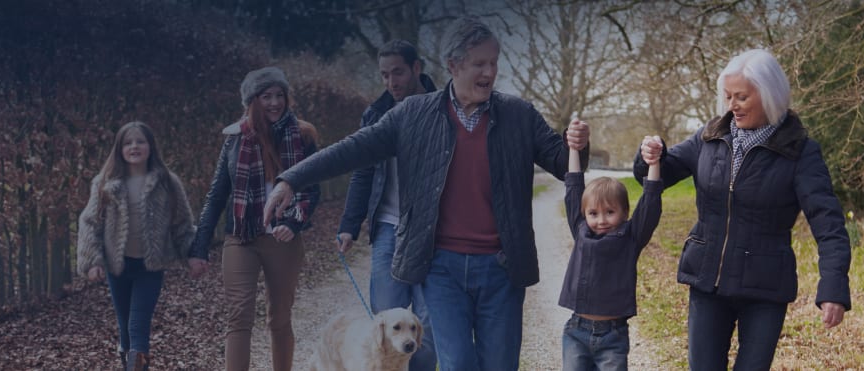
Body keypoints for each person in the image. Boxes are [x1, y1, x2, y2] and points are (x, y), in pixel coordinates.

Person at [264, 17, 591, 371]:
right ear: (453, 65)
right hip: (441, 268)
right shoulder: (413, 114)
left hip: (501, 266)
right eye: (479, 63)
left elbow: (563, 162)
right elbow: (353, 149)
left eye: (493, 62)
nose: (490, 71)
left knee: (499, 364)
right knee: (458, 363)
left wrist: (578, 144)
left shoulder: (519, 114)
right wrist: (292, 179)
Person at [633, 48, 851, 370]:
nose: (731, 105)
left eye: (741, 97)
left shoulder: (800, 152)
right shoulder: (709, 137)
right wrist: (650, 155)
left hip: (764, 289)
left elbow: (828, 223)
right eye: (728, 96)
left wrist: (833, 287)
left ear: (769, 96)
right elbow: (656, 175)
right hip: (707, 281)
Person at [187, 66, 320, 371]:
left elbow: (312, 190)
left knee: (280, 317)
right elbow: (217, 195)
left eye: (279, 95)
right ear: (252, 101)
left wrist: (293, 223)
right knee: (240, 315)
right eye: (265, 96)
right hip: (241, 237)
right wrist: (199, 247)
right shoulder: (235, 140)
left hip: (282, 238)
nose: (274, 103)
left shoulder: (303, 136)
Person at [336, 39, 438, 371]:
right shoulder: (375, 114)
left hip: (431, 232)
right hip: (387, 229)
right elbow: (362, 172)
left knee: (429, 323)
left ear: (416, 69)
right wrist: (349, 225)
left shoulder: (443, 109)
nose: (391, 82)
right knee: (385, 321)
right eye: (384, 75)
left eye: (398, 72)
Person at [76, 121, 197, 371]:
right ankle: (127, 361)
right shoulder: (105, 183)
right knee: (125, 328)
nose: (134, 147)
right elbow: (90, 223)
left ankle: (137, 366)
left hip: (150, 267)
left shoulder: (167, 183)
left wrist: (193, 255)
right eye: (128, 142)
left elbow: (182, 223)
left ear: (150, 146)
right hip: (117, 267)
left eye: (140, 141)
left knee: (138, 325)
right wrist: (92, 261)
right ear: (119, 149)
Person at [559, 129, 663, 371]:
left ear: (624, 213)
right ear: (585, 214)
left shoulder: (630, 238)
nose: (601, 220)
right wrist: (574, 148)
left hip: (613, 337)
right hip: (576, 332)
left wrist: (654, 163)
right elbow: (574, 186)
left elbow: (650, 203)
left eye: (610, 212)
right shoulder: (581, 231)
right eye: (593, 213)